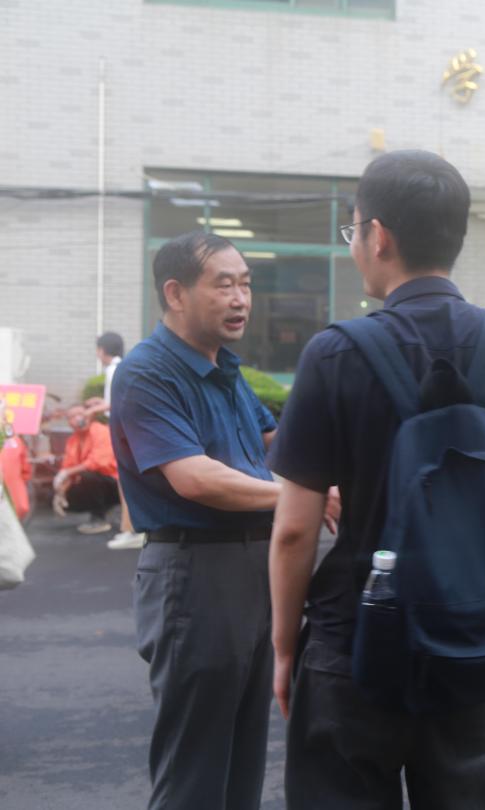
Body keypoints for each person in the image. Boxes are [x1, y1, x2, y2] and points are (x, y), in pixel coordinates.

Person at [268, 149, 485, 809]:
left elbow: (293, 531)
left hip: (355, 640)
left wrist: (286, 648)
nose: (354, 246)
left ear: (379, 236)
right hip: (482, 639)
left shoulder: (334, 353)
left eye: (352, 231)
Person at [110, 231, 289, 810]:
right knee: (195, 770)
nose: (241, 299)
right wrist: (296, 498)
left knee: (242, 760)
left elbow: (276, 442)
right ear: (175, 293)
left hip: (253, 570)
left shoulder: (226, 369)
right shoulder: (148, 371)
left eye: (246, 285)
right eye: (224, 285)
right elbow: (194, 478)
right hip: (195, 574)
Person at [84, 331, 143, 550]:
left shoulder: (113, 370)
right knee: (127, 480)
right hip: (130, 431)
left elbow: (115, 404)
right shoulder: (123, 367)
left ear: (102, 350)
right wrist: (100, 403)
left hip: (123, 431)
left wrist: (91, 411)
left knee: (125, 481)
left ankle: (131, 530)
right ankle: (129, 529)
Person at [52, 404, 120, 534]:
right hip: (95, 483)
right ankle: (105, 509)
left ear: (89, 415)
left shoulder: (101, 431)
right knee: (64, 490)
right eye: (72, 416)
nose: (78, 418)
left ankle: (99, 518)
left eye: (80, 414)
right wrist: (60, 493)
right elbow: (68, 467)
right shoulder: (73, 440)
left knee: (88, 476)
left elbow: (97, 462)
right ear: (69, 422)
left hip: (115, 483)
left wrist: (67, 472)